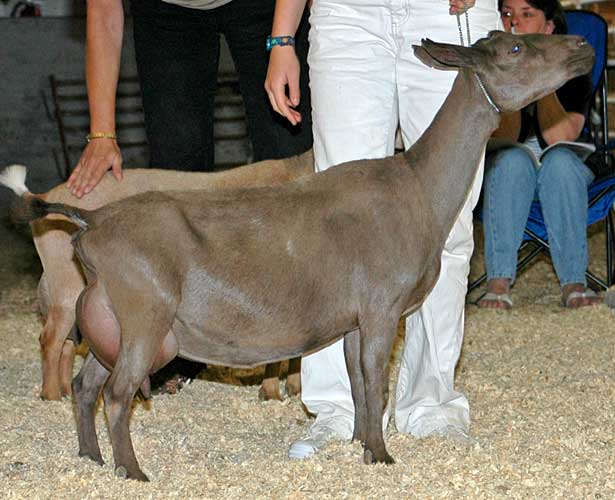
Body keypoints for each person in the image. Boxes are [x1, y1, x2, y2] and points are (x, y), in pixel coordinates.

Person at [265, 0, 501, 459]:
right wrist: (281, 37)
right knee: (336, 224)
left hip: (445, 14)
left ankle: (431, 402)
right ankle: (338, 406)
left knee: (447, 224)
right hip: (347, 16)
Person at [66, 0, 313, 199]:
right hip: (166, 12)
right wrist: (102, 134)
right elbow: (103, 9)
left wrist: (284, 41)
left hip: (267, 8)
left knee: (289, 157)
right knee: (176, 168)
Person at [477, 0, 601, 310]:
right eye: (506, 14)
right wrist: (512, 76)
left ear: (549, 27)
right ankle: (498, 282)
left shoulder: (573, 69)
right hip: (509, 169)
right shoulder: (488, 71)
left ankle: (574, 281)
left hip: (565, 170)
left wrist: (541, 75)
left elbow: (560, 137)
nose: (514, 23)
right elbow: (505, 138)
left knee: (558, 163)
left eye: (527, 14)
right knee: (512, 160)